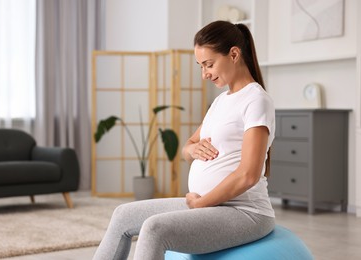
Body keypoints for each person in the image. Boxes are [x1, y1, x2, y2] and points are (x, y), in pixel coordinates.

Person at [92, 20, 275, 260]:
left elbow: (248, 175)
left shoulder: (256, 100)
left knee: (154, 229)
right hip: (208, 205)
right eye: (201, 66)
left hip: (244, 211)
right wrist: (193, 149)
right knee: (122, 216)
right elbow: (188, 147)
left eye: (209, 64)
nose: (204, 74)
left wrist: (201, 204)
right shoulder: (221, 101)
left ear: (233, 54)